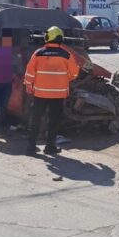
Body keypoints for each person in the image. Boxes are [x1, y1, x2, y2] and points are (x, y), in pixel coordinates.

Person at [23, 26, 79, 155]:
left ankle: (31, 147)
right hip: (58, 94)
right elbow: (74, 73)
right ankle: (49, 147)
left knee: (36, 119)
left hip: (40, 93)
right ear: (60, 38)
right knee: (54, 121)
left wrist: (28, 85)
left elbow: (30, 72)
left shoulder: (38, 53)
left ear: (47, 37)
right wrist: (64, 79)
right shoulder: (66, 54)